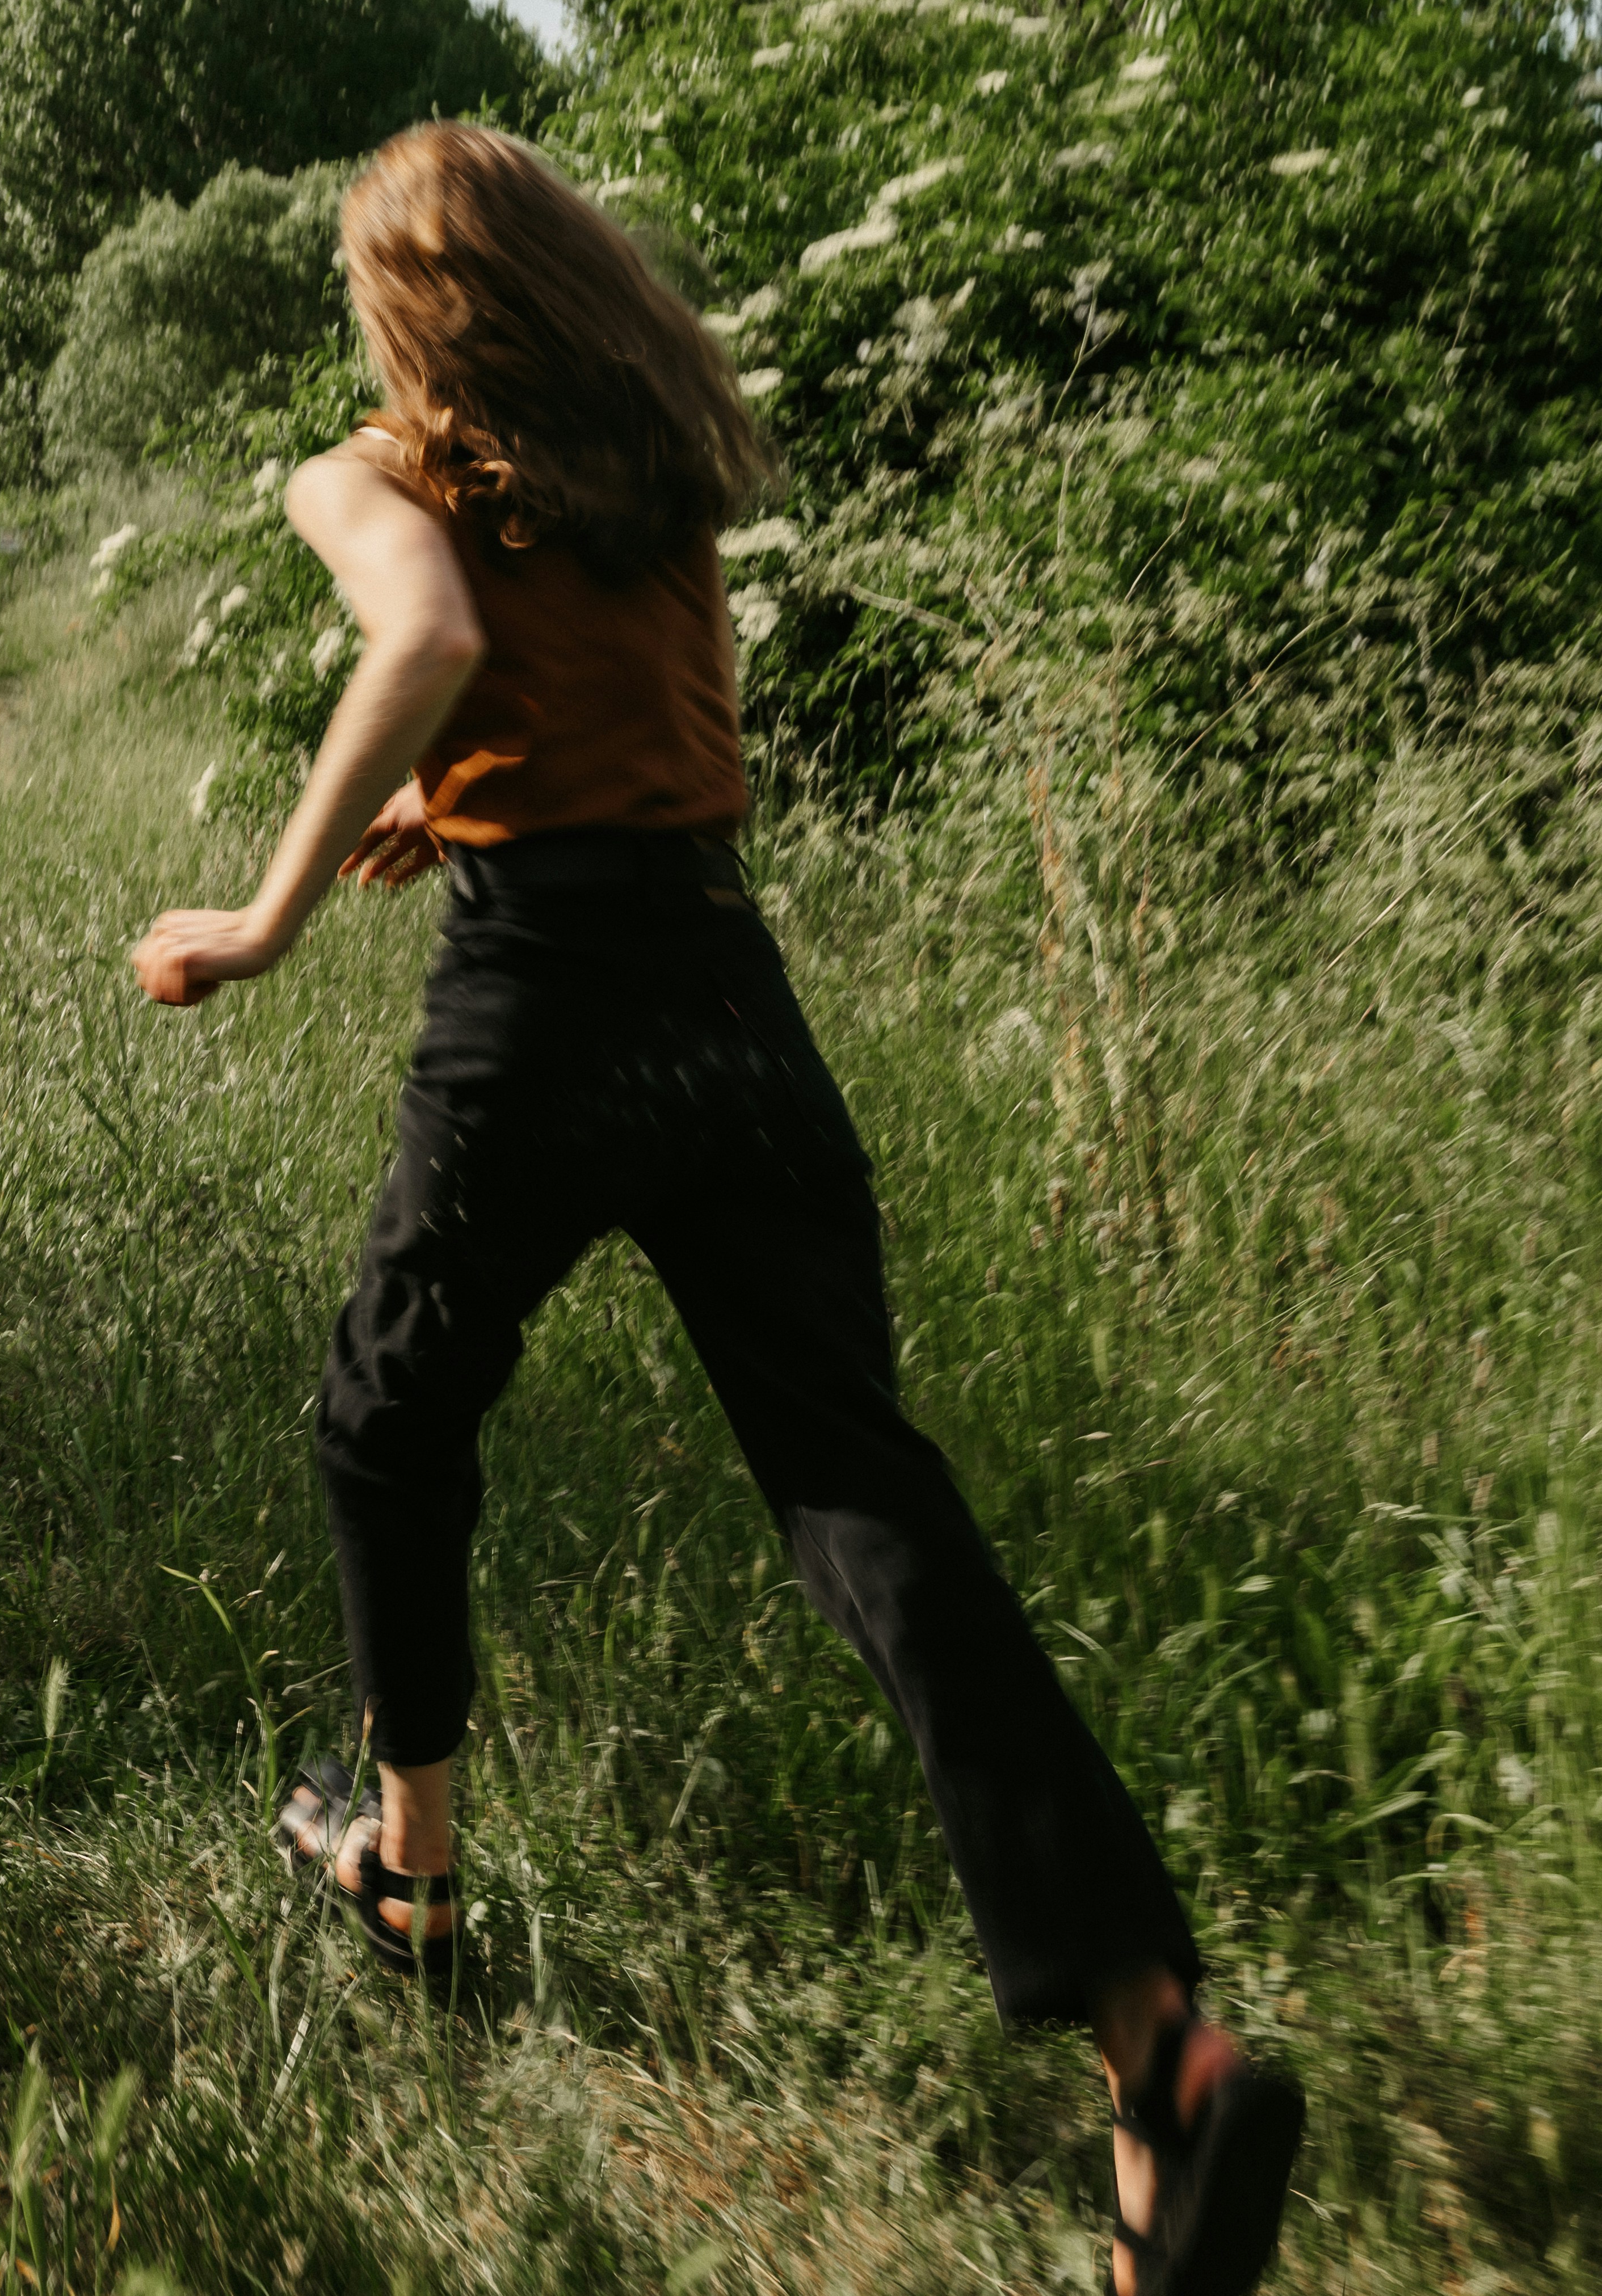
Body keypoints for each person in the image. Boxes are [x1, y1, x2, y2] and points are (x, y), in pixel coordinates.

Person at [132, 123, 1302, 2296]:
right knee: (863, 1492)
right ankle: (1164, 2045)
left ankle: (411, 1870)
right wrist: (432, 796)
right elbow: (595, 711)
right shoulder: (656, 469)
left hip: (548, 1009)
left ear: (411, 311)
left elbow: (434, 628)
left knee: (385, 1419)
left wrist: (273, 904)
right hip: (723, 985)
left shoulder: (367, 474)